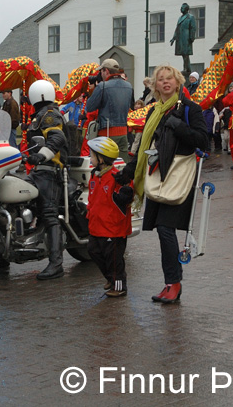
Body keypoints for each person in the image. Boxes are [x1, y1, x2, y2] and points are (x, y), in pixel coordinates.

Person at [114, 65, 208, 303]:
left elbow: (202, 141)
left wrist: (179, 127)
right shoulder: (153, 111)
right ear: (155, 86)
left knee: (166, 229)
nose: (166, 83)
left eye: (170, 79)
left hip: (177, 177)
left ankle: (174, 284)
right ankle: (170, 283)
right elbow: (144, 144)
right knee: (162, 232)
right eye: (161, 80)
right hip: (156, 175)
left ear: (178, 83)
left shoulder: (189, 109)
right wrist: (129, 170)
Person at [24, 79, 69, 280]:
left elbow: (57, 139)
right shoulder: (39, 116)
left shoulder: (49, 115)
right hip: (38, 170)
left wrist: (41, 155)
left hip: (51, 171)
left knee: (49, 214)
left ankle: (56, 264)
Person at [86, 137, 134, 297]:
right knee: (93, 251)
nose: (89, 158)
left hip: (114, 229)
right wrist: (89, 213)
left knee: (114, 259)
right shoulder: (94, 176)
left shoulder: (117, 177)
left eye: (92, 155)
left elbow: (128, 196)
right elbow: (92, 199)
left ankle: (119, 286)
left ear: (101, 159)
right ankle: (110, 278)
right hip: (97, 226)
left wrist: (127, 194)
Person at [84, 59, 134, 162]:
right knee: (122, 164)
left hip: (106, 132)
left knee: (106, 165)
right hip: (123, 133)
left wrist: (92, 90)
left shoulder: (102, 86)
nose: (100, 74)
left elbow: (89, 107)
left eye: (101, 71)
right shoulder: (128, 86)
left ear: (106, 71)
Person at [170, 3, 197, 74]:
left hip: (186, 37)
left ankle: (187, 69)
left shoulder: (190, 17)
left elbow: (193, 28)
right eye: (181, 8)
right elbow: (177, 28)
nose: (181, 9)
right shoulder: (180, 18)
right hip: (180, 37)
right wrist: (173, 38)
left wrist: (192, 37)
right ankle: (187, 68)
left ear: (186, 9)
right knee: (183, 54)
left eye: (182, 8)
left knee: (186, 54)